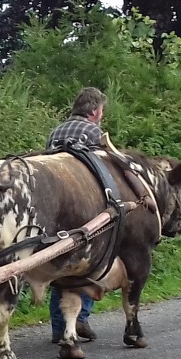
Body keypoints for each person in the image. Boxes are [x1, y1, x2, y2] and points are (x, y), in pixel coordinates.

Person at [45, 87, 107, 344]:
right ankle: (80, 319)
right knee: (91, 262)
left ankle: (60, 327)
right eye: (102, 109)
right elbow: (105, 170)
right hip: (85, 203)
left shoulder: (55, 132)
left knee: (59, 266)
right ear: (94, 111)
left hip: (56, 204)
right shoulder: (95, 132)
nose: (102, 114)